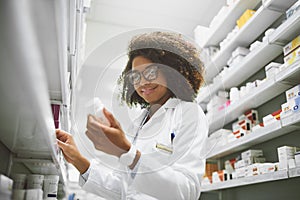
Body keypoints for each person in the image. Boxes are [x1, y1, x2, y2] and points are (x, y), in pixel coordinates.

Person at [56, 31, 208, 200]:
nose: (142, 83)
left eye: (151, 73)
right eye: (136, 76)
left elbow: (187, 191)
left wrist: (127, 153)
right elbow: (123, 189)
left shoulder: (189, 113)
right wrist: (79, 160)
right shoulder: (138, 122)